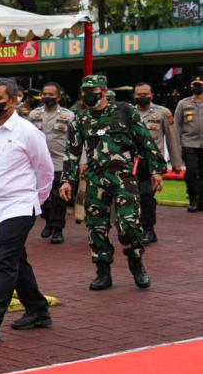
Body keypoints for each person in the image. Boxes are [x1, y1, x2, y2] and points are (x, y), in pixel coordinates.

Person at [0, 78, 54, 345]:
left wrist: (35, 201)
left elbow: (45, 170)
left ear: (14, 100)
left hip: (19, 206)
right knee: (16, 260)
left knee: (4, 264)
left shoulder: (28, 132)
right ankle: (37, 309)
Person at [60, 75, 166, 290]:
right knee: (96, 228)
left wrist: (156, 171)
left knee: (129, 225)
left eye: (93, 90)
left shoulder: (125, 111)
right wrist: (66, 181)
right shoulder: (81, 119)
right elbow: (72, 152)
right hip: (96, 179)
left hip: (124, 178)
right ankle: (103, 271)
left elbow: (146, 140)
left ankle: (136, 264)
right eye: (85, 91)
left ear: (104, 90)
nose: (88, 95)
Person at [134, 82, 184, 243]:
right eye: (139, 94)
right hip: (132, 162)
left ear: (152, 95)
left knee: (146, 194)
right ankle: (136, 227)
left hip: (153, 163)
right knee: (133, 197)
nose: (142, 97)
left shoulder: (163, 113)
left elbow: (172, 138)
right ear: (134, 96)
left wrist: (176, 163)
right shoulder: (128, 113)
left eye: (145, 94)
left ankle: (149, 229)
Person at [28, 82, 76, 244]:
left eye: (51, 94)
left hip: (59, 162)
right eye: (45, 94)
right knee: (44, 196)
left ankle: (57, 229)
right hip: (39, 162)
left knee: (58, 197)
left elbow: (74, 140)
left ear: (59, 97)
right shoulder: (34, 115)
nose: (47, 97)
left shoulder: (68, 116)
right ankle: (48, 220)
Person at [173, 75, 203, 212]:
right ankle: (193, 198)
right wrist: (177, 144)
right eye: (195, 84)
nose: (197, 86)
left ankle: (201, 201)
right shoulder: (183, 103)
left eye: (200, 84)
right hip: (189, 143)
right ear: (191, 87)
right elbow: (177, 125)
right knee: (191, 172)